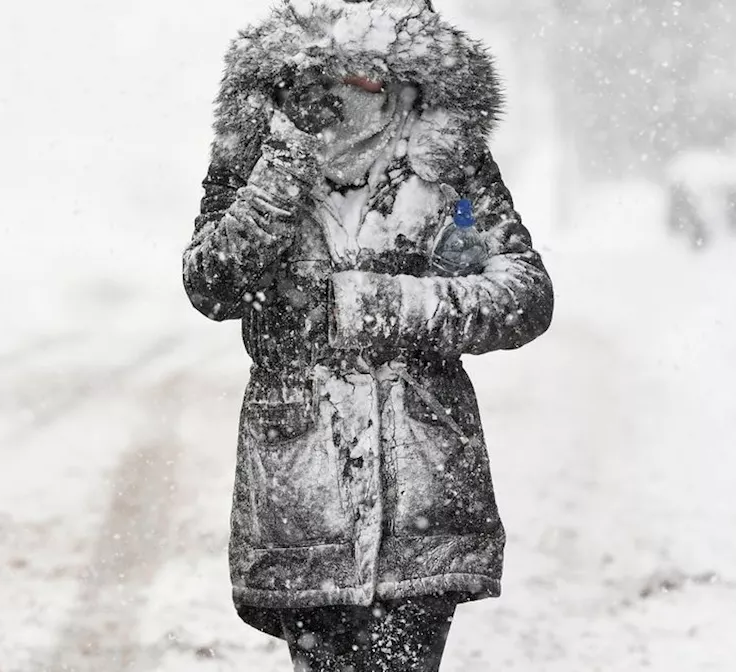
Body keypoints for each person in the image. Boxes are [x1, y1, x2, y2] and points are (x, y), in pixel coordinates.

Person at [182, 1, 554, 669]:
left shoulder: (446, 154)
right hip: (301, 493)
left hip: (422, 485)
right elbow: (211, 286)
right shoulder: (258, 144)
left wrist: (383, 307)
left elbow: (521, 293)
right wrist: (277, 178)